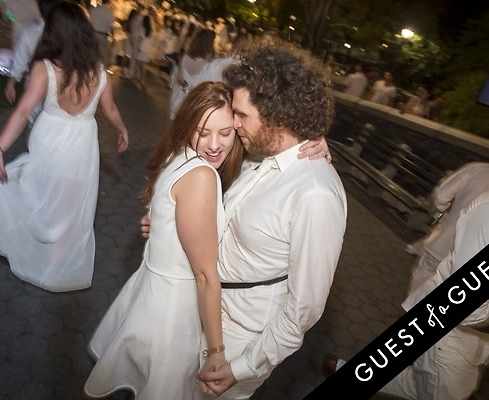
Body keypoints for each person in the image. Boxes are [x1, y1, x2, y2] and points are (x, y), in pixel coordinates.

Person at [194, 39, 347, 399]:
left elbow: (302, 310)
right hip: (205, 309)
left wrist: (243, 367)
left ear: (279, 116)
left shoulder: (315, 195)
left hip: (239, 340)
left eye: (241, 115)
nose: (233, 123)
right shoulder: (257, 154)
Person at [84, 81, 242, 400]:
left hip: (153, 291)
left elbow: (168, 212)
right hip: (175, 309)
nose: (214, 144)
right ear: (187, 126)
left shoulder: (178, 153)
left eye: (225, 133)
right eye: (203, 131)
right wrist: (215, 351)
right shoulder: (202, 175)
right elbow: (205, 275)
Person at [325, 167, 489, 399]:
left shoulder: (483, 175)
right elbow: (467, 307)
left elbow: (441, 197)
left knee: (423, 384)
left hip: (473, 323)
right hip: (453, 331)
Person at [0, 0, 129, 293]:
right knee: (70, 206)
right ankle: (56, 265)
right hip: (82, 148)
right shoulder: (98, 71)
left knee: (39, 195)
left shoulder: (45, 69)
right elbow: (109, 110)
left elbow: (22, 112)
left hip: (50, 144)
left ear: (53, 32)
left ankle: (31, 247)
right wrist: (122, 129)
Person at [406, 133, 489, 293]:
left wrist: (443, 212)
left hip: (446, 242)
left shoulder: (476, 169)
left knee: (424, 275)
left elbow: (442, 196)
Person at [4, 0, 57, 127]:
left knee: (34, 119)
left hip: (20, 32)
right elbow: (37, 17)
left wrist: (15, 20)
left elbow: (7, 15)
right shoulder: (31, 3)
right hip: (55, 86)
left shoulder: (10, 2)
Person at [169, 27, 234, 120]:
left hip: (180, 97)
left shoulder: (185, 57)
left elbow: (180, 78)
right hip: (194, 102)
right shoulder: (208, 65)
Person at [88, 0, 115, 66]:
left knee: (92, 53)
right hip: (102, 35)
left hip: (92, 33)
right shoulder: (109, 12)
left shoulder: (94, 9)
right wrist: (113, 36)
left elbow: (89, 21)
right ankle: (100, 71)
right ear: (109, 2)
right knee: (102, 55)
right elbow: (111, 25)